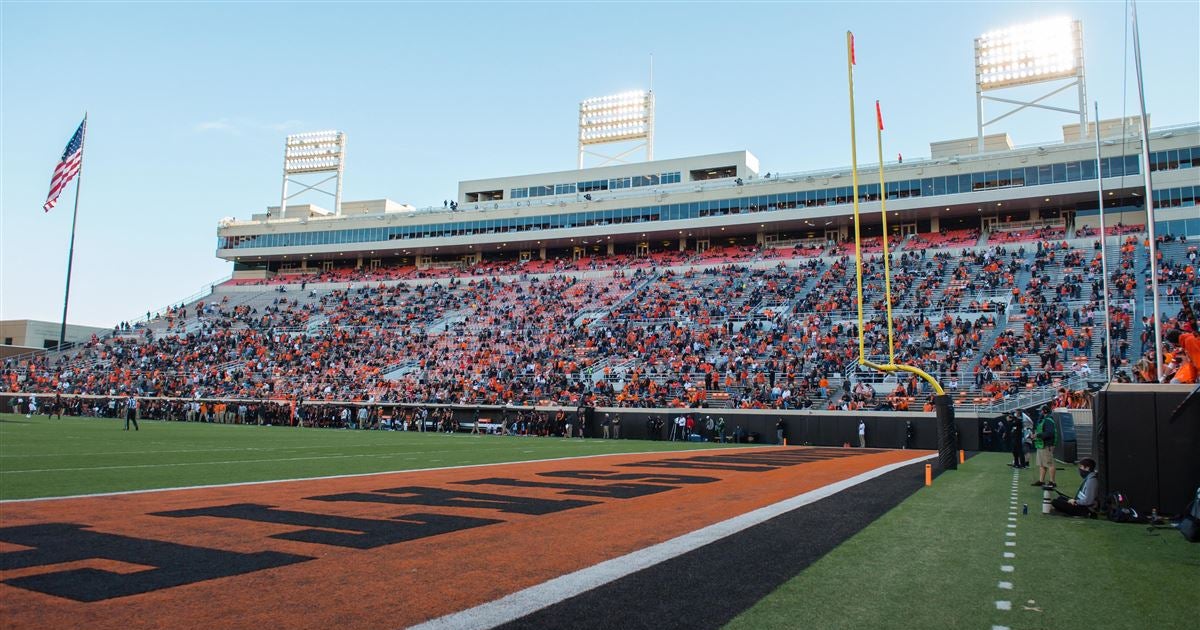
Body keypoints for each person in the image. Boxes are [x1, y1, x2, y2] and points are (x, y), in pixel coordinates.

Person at [1032, 406, 1057, 488]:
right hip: (1041, 444)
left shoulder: (1048, 420)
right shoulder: (1045, 420)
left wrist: (1037, 435)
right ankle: (1041, 481)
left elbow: (1050, 433)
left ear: (1044, 411)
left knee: (1050, 464)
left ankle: (1052, 482)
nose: (1040, 413)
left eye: (1041, 411)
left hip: (1047, 445)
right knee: (1042, 464)